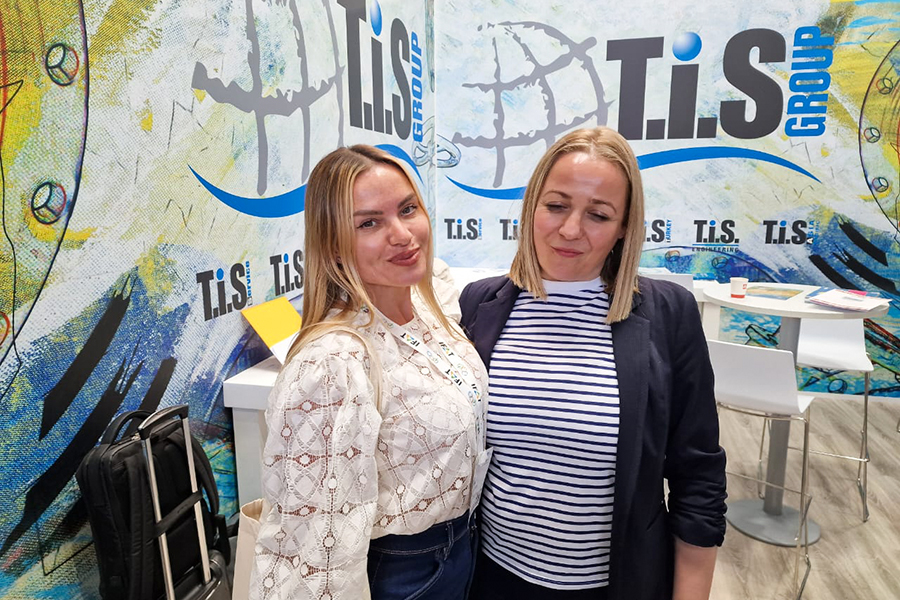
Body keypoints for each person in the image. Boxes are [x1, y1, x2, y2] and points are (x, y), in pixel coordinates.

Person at [459, 127, 726, 600]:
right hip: (490, 578)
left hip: (613, 583)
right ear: (532, 206)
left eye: (598, 215)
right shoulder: (481, 304)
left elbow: (698, 475)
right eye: (556, 206)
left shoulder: (669, 314)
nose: (570, 230)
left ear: (624, 227)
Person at [251, 145, 490, 600]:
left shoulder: (427, 310)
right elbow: (315, 543)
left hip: (462, 548)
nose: (402, 235)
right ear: (334, 245)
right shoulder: (333, 361)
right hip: (403, 572)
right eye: (369, 223)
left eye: (407, 209)